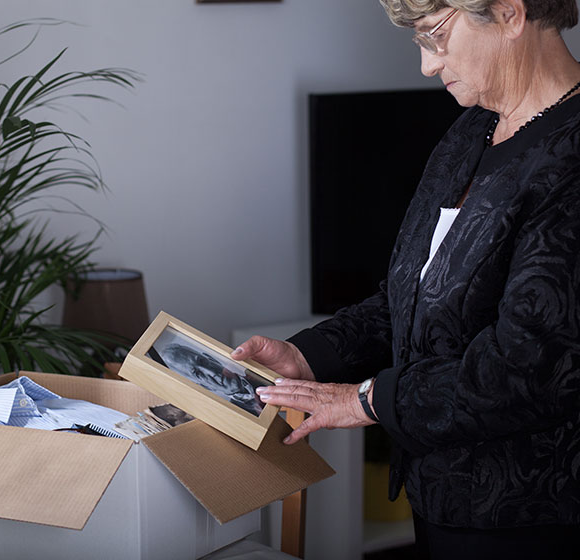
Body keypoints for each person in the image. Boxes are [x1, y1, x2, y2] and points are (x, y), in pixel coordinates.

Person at [231, 1, 580, 558]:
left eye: (436, 35)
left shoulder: (570, 158)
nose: (426, 65)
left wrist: (366, 401)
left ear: (511, 13)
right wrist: (309, 357)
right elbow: (408, 298)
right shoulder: (471, 132)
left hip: (530, 516)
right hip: (438, 494)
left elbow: (528, 367)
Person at [158, 343, 266, 416]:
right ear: (203, 386)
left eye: (202, 361)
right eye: (198, 374)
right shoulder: (234, 414)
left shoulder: (261, 369)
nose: (212, 373)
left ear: (211, 358)